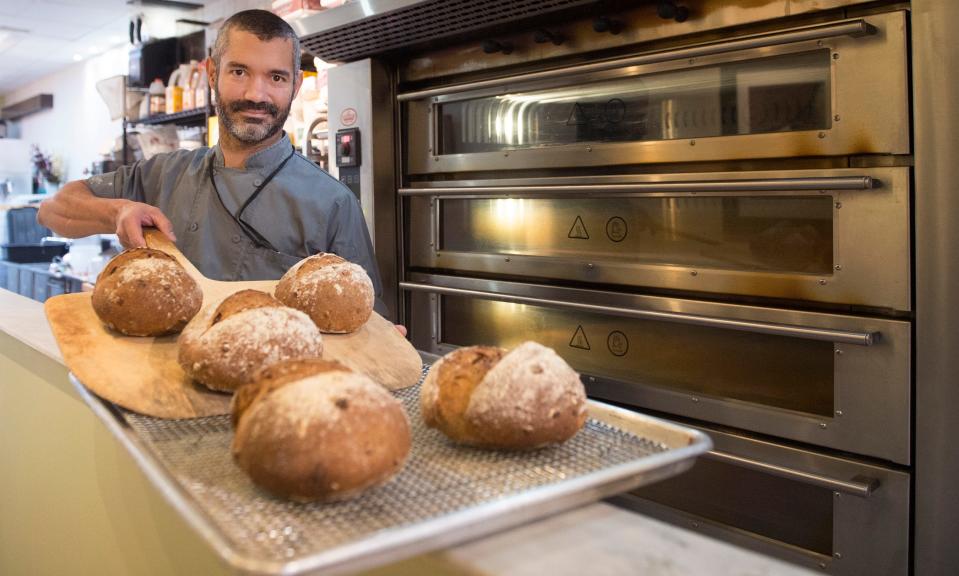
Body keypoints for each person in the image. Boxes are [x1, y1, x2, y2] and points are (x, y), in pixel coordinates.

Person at [38, 9, 395, 323]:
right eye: (239, 72)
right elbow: (53, 211)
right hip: (154, 382)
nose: (257, 94)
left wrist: (376, 336)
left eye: (276, 77)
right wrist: (118, 211)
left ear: (296, 85)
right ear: (211, 74)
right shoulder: (163, 174)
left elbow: (362, 318)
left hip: (269, 390)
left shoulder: (333, 203)